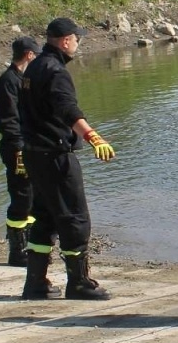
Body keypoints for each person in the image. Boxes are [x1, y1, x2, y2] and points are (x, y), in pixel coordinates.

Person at [17, 18, 115, 301]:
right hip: (55, 155)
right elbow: (67, 109)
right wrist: (93, 137)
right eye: (77, 39)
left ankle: (36, 283)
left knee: (45, 217)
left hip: (35, 154)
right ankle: (79, 282)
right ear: (64, 41)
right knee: (75, 218)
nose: (78, 43)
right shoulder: (55, 71)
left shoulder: (33, 67)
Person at [0, 35, 41, 267]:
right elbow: (9, 121)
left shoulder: (24, 80)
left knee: (32, 196)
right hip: (17, 149)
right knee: (21, 196)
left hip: (29, 145)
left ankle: (31, 244)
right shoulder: (7, 82)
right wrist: (20, 149)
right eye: (36, 56)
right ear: (29, 55)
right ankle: (18, 251)